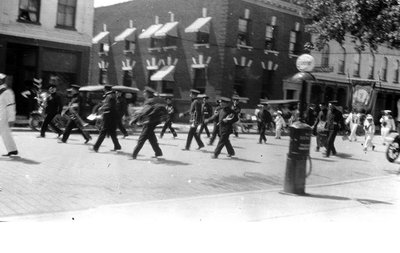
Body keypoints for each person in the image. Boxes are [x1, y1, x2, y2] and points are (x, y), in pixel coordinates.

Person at [131, 86, 164, 159]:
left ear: (148, 93)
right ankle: (158, 153)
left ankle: (134, 155)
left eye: (144, 92)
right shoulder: (154, 100)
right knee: (151, 138)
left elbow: (144, 112)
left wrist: (135, 120)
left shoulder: (149, 101)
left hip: (149, 122)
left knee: (142, 139)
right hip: (153, 122)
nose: (143, 94)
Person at [92, 85, 121, 152]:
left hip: (109, 116)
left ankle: (96, 147)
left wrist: (102, 108)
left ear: (105, 89)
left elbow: (109, 106)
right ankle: (117, 146)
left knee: (103, 131)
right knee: (112, 132)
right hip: (113, 116)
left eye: (104, 89)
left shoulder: (109, 95)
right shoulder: (112, 95)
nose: (103, 91)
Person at [0, 73, 18, 156]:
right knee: (5, 133)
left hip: (4, 116)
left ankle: (12, 149)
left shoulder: (7, 92)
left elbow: (11, 106)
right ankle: (12, 149)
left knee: (5, 132)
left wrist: (11, 119)